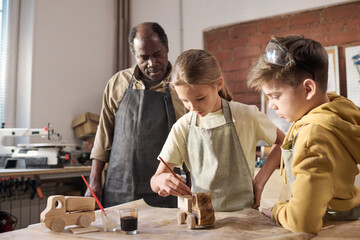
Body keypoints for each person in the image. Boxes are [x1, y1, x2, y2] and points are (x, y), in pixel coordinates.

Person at [247, 35, 360, 233]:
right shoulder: (339, 108)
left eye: (275, 96)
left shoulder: (311, 136)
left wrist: (277, 210)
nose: (271, 106)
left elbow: (303, 222)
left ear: (308, 89)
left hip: (328, 225)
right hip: (350, 212)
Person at [150, 49, 285, 211]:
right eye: (185, 100)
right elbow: (155, 181)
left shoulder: (247, 115)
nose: (192, 107)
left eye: (200, 98)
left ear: (219, 84)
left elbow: (285, 142)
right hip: (201, 221)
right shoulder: (182, 127)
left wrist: (260, 180)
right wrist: (161, 181)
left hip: (245, 220)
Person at [85, 22, 186, 208]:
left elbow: (191, 141)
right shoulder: (117, 83)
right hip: (118, 188)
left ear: (167, 48)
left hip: (165, 189)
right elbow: (103, 137)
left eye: (157, 54)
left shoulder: (181, 86)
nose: (152, 63)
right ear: (135, 55)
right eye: (144, 57)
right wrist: (95, 180)